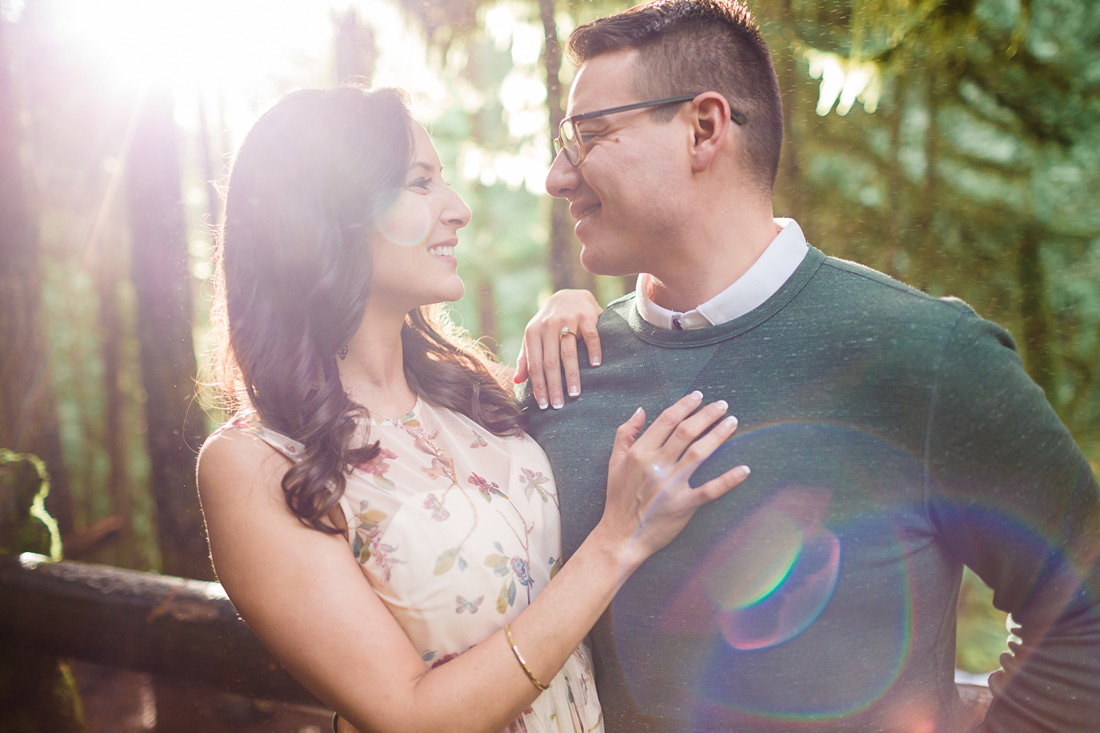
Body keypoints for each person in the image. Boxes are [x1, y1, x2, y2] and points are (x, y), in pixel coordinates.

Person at [518, 1, 1100, 730]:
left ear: (704, 128)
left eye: (590, 136)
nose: (554, 176)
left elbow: (1084, 610)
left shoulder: (929, 354)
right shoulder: (562, 377)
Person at [195, 85, 753, 733]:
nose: (456, 210)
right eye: (420, 182)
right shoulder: (255, 463)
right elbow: (410, 714)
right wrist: (614, 544)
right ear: (328, 209)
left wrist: (588, 321)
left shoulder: (468, 395)